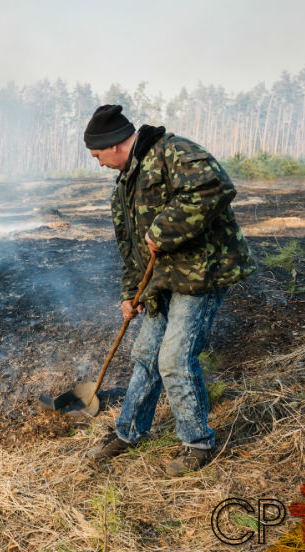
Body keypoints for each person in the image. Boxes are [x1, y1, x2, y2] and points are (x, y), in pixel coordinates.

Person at [81, 104, 256, 476]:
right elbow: (131, 248)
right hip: (162, 280)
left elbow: (215, 187)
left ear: (113, 144)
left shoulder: (171, 152)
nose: (98, 163)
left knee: (174, 359)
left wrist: (164, 230)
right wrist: (132, 294)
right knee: (146, 354)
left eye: (97, 155)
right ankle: (129, 433)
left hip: (199, 274)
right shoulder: (124, 186)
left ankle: (198, 443)